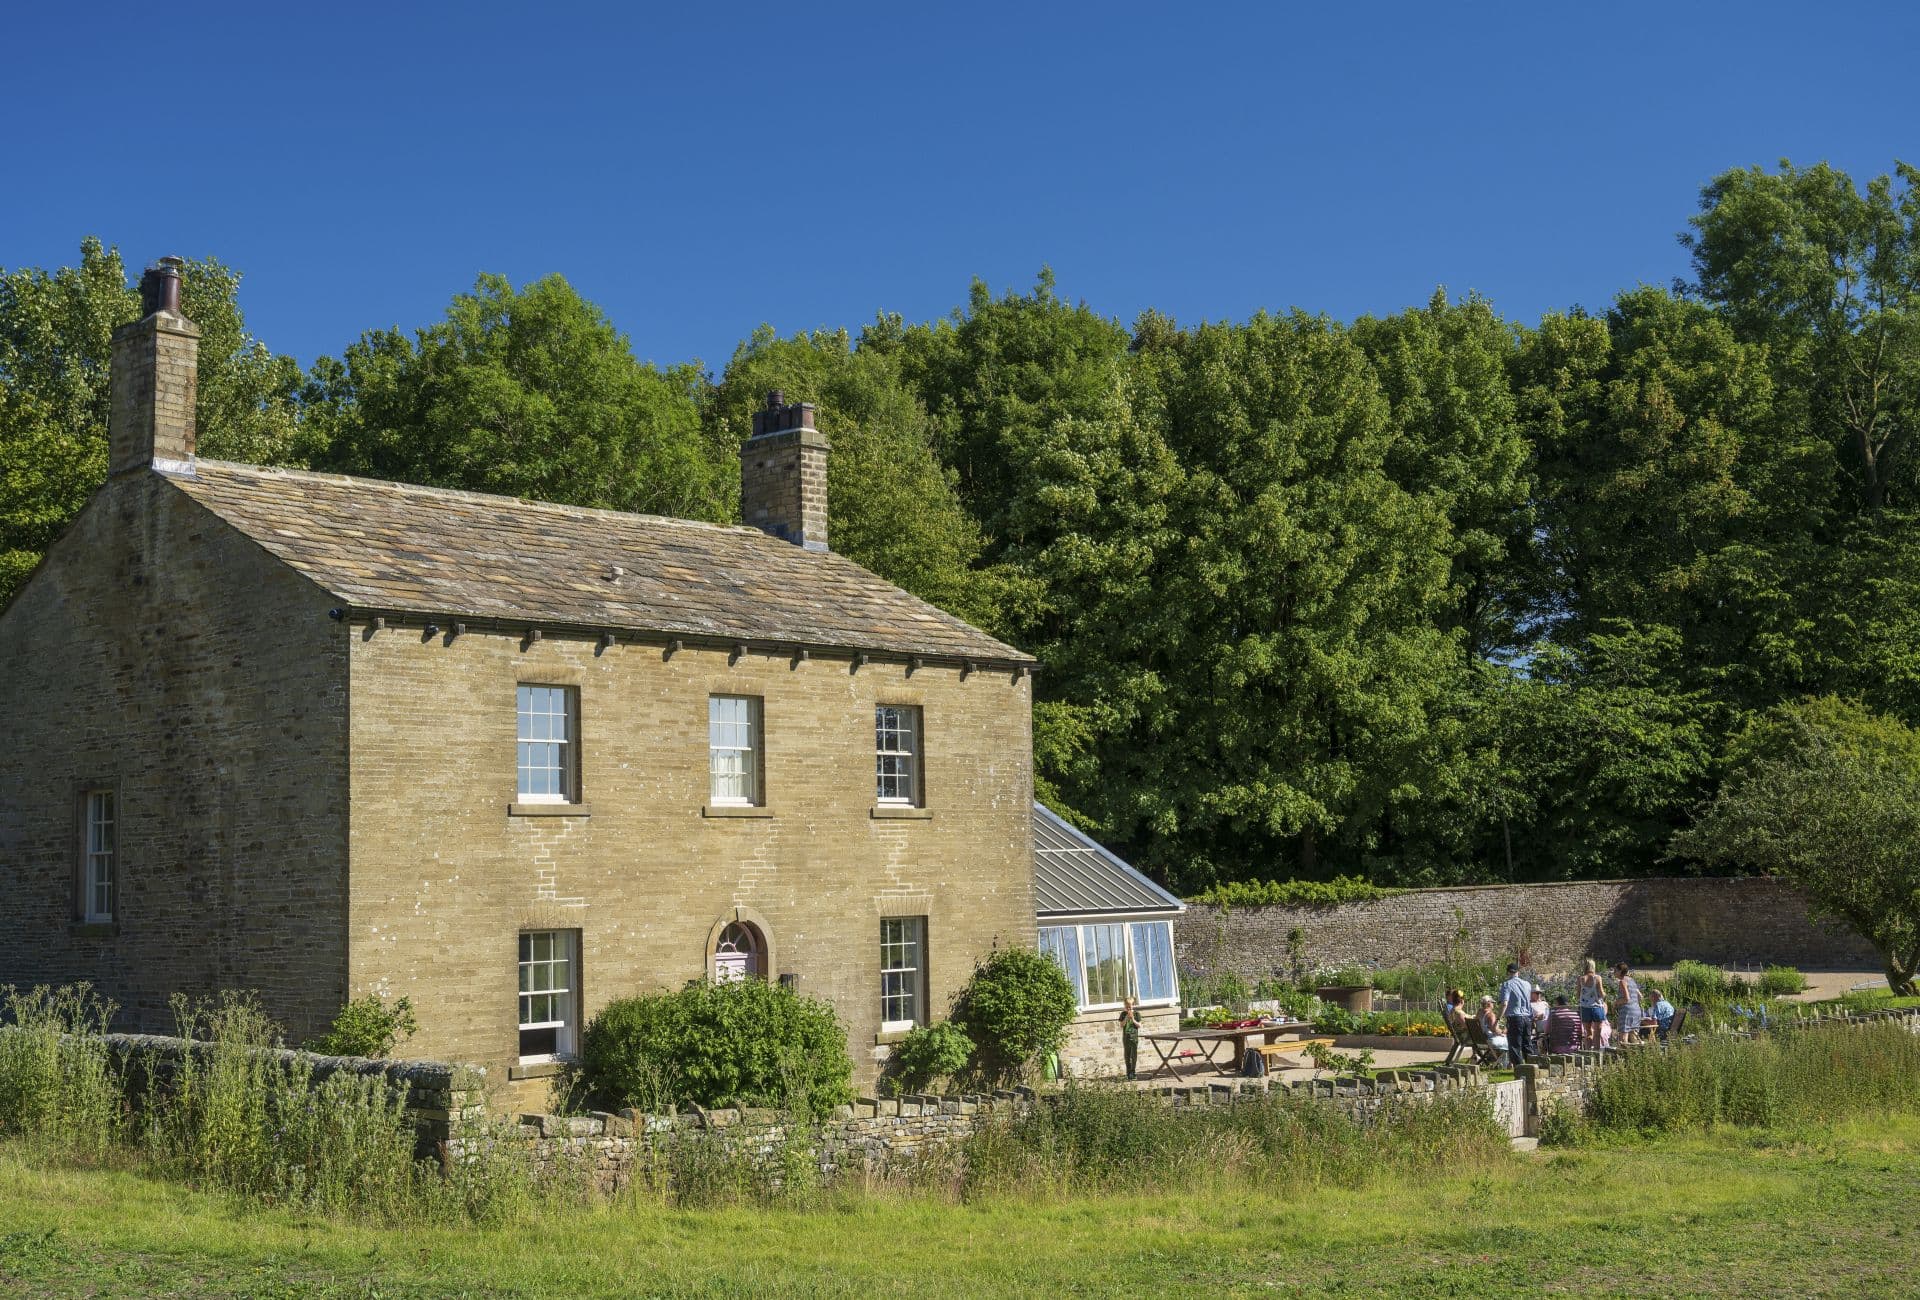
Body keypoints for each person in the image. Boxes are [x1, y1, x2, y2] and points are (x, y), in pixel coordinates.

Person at [1498, 962, 1534, 1067]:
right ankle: (1532, 1068)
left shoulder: (1507, 984)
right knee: (1527, 1045)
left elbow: (1504, 1003)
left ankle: (1519, 1069)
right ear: (1518, 972)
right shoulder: (1527, 984)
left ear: (1508, 972)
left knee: (1515, 1046)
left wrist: (1498, 1018)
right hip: (1527, 1017)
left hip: (1515, 1018)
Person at [1576, 958, 1608, 1050]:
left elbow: (1578, 995)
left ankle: (1588, 1053)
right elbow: (1601, 993)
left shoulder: (1580, 979)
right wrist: (1605, 995)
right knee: (1597, 1033)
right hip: (1596, 1007)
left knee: (1588, 1033)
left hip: (1585, 1008)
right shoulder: (1597, 978)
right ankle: (1597, 1053)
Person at [1614, 962, 1644, 1041]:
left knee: (1623, 1038)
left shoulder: (1622, 981)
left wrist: (1616, 1002)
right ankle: (1635, 1049)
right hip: (1636, 1010)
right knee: (1634, 1036)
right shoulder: (1632, 980)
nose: (1614, 972)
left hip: (1627, 1012)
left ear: (1620, 971)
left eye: (1615, 970)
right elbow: (1640, 996)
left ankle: (1623, 1049)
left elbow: (1626, 999)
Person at [1118, 998, 1141, 1081]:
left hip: (1134, 1038)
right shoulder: (1123, 1014)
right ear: (1124, 1006)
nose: (1128, 1009)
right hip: (1126, 1038)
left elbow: (1139, 1025)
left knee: (1133, 1055)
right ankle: (1128, 1073)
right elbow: (1121, 1025)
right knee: (1127, 1056)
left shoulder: (1137, 1014)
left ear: (1133, 1005)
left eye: (1130, 1007)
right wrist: (1126, 1018)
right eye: (1127, 1007)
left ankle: (1133, 1072)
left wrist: (1133, 1019)